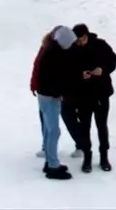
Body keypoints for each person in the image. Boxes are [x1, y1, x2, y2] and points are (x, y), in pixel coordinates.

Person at [63, 24, 116, 173]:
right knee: (84, 127)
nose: (79, 43)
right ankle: (87, 156)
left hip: (101, 93)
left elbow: (113, 60)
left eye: (81, 39)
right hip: (82, 95)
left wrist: (103, 70)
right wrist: (79, 75)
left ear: (86, 35)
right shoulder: (72, 49)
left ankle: (104, 157)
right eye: (76, 40)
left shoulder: (100, 45)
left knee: (102, 126)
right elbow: (66, 70)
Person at [33, 26, 77, 180]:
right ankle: (52, 166)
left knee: (47, 128)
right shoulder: (54, 54)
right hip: (50, 97)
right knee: (53, 131)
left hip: (45, 95)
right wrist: (59, 93)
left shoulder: (51, 50)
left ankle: (50, 161)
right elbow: (53, 79)